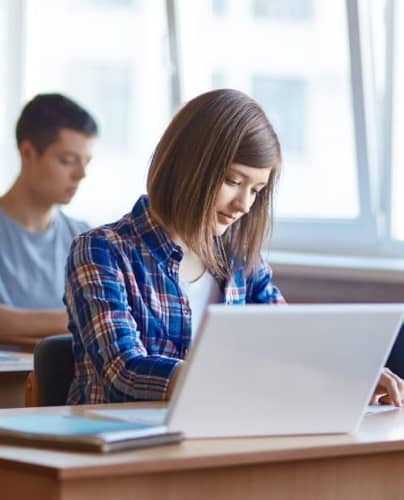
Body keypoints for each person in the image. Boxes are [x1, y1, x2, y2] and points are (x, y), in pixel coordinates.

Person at [64, 88, 404, 407]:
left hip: (220, 441)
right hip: (124, 453)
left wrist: (350, 375)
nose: (243, 204)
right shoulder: (102, 250)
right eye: (233, 181)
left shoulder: (240, 261)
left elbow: (291, 341)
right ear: (188, 166)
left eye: (256, 190)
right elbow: (122, 371)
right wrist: (237, 377)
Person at [0, 93, 98, 344]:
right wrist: (78, 317)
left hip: (65, 380)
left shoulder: (85, 238)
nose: (81, 174)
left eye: (86, 162)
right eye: (67, 160)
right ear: (27, 152)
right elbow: (98, 317)